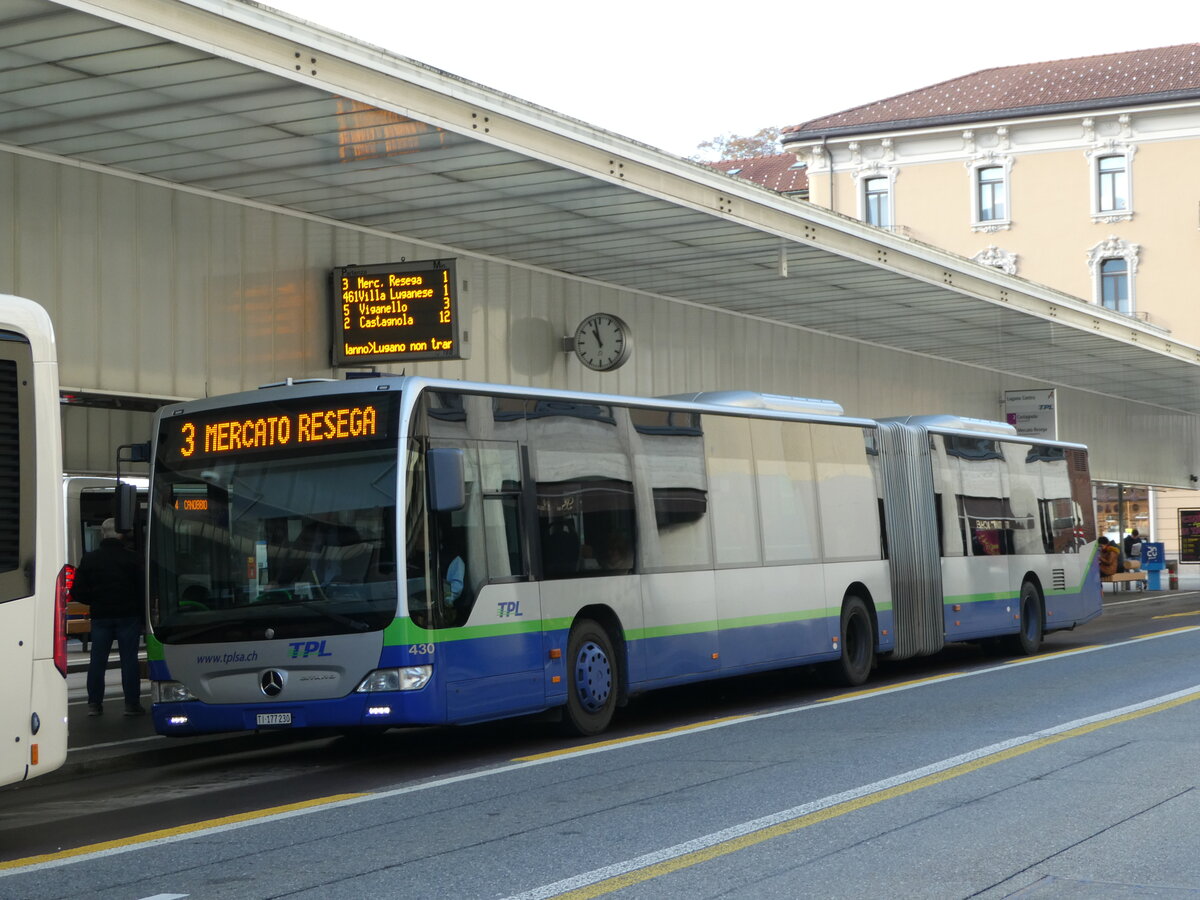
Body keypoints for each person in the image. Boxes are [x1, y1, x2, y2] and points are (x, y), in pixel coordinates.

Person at [72, 519, 145, 716]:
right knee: (129, 660)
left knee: (97, 660)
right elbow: (142, 590)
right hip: (128, 615)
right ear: (121, 534)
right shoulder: (133, 559)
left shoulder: (90, 559)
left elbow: (77, 591)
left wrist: (94, 600)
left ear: (103, 534)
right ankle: (131, 704)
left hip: (101, 615)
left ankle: (94, 704)